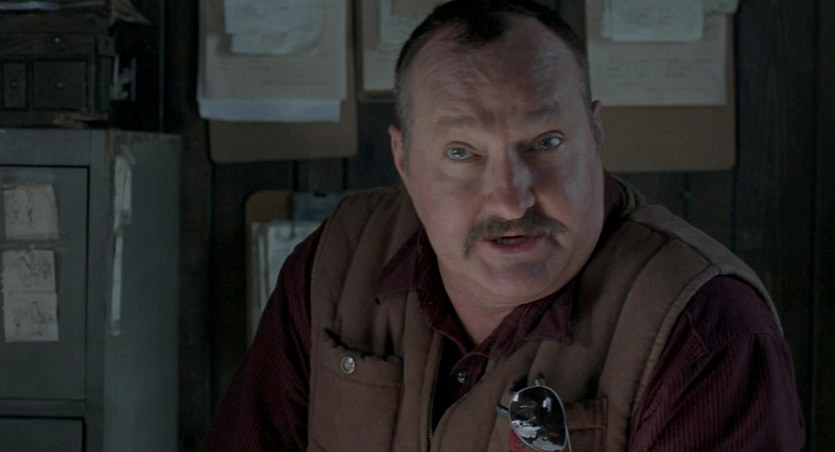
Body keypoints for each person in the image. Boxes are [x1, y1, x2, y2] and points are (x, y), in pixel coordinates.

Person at [202, 1, 805, 450]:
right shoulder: (339, 260)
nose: (512, 201)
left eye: (545, 143)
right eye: (461, 153)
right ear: (404, 159)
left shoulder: (707, 330)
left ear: (596, 134)